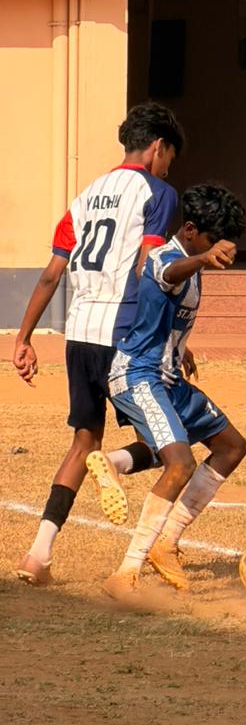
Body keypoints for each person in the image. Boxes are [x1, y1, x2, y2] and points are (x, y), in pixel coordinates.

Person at [12, 102, 184, 586]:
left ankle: (38, 555)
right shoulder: (159, 193)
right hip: (126, 333)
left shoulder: (84, 196)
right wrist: (170, 332)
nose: (168, 169)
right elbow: (149, 267)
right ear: (158, 148)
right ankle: (121, 481)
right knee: (174, 443)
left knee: (83, 439)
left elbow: (52, 274)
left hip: (79, 333)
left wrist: (23, 338)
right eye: (169, 159)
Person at [102, 184, 246, 599]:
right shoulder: (166, 257)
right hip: (139, 374)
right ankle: (126, 572)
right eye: (212, 240)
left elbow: (163, 311)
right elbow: (167, 274)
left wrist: (182, 348)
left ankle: (164, 539)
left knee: (232, 447)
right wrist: (202, 258)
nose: (219, 250)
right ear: (190, 230)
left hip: (169, 377)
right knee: (180, 463)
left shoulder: (193, 262)